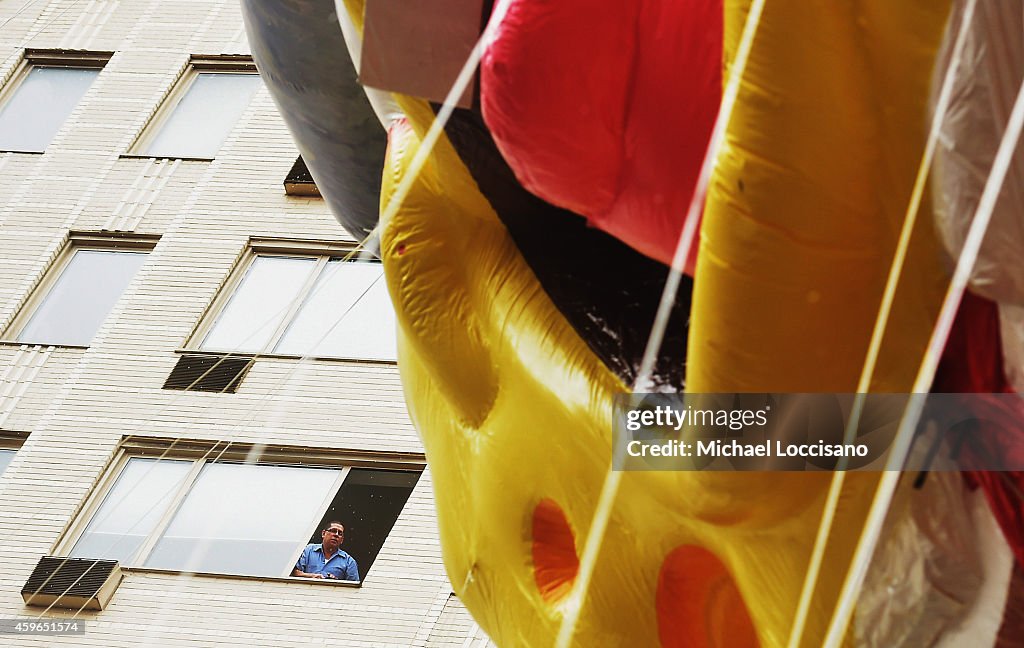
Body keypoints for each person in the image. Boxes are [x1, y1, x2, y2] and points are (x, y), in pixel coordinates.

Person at [292, 521, 360, 581]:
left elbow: (353, 589)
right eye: (333, 531)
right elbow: (294, 573)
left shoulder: (349, 562)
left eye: (340, 533)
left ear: (342, 540)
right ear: (323, 533)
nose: (336, 534)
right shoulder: (308, 550)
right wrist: (312, 576)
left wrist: (336, 582)